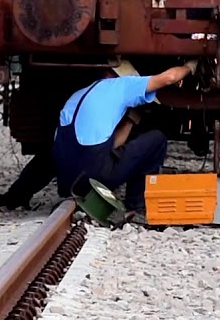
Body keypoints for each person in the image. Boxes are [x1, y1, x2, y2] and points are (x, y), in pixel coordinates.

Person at [52, 59, 199, 222]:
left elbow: (111, 144)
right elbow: (169, 78)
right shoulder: (122, 85)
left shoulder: (78, 95)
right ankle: (135, 206)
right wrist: (189, 66)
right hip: (96, 179)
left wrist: (131, 119)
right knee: (157, 139)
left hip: (68, 183)